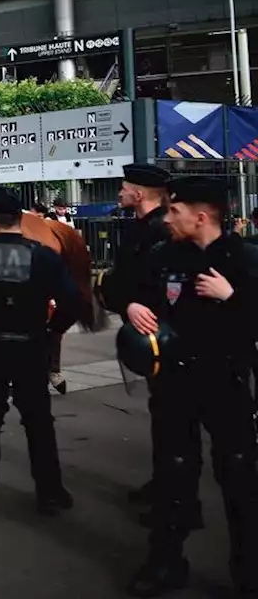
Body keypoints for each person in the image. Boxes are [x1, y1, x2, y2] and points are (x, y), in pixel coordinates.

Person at [123, 176, 258, 598]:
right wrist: (131, 303)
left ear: (201, 217)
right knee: (173, 475)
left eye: (177, 212)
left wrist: (232, 296)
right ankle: (165, 564)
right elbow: (120, 287)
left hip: (226, 384)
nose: (169, 218)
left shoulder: (244, 259)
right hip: (174, 384)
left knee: (238, 477)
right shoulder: (163, 256)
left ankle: (248, 571)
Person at [0, 187, 82, 518]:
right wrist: (54, 330)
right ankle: (50, 492)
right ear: (22, 220)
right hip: (31, 345)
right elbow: (72, 301)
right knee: (39, 421)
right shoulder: (43, 256)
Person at [96, 164, 202, 527]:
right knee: (163, 419)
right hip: (149, 338)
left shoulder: (160, 232)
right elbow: (119, 282)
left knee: (176, 425)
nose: (121, 192)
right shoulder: (141, 228)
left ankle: (181, 501)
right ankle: (164, 485)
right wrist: (126, 302)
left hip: (167, 341)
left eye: (125, 187)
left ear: (139, 194)